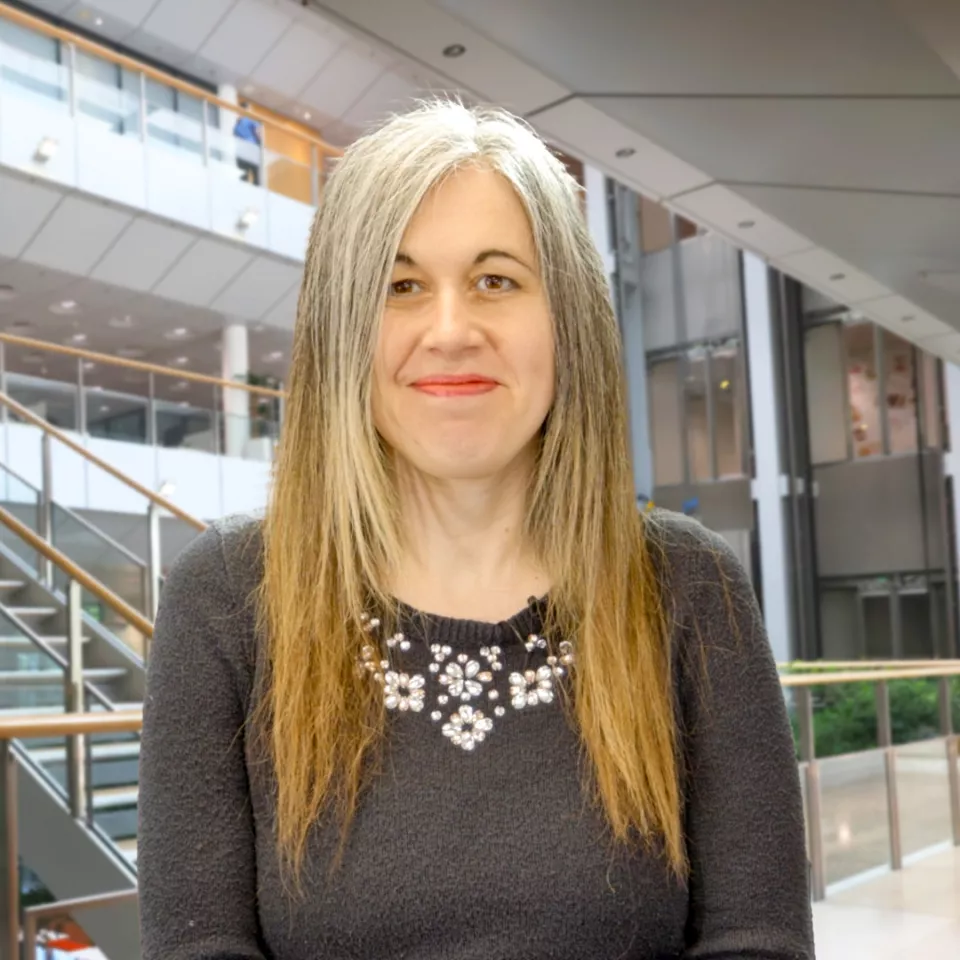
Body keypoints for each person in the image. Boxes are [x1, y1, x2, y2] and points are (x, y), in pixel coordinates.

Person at [138, 100, 814, 959]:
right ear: (342, 332)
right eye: (401, 285)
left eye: (497, 280)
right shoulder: (228, 596)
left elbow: (758, 939)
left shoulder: (689, 589)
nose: (451, 331)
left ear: (567, 321)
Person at [234, 101, 262, 185]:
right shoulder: (251, 119)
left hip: (241, 149)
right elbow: (258, 133)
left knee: (244, 172)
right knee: (256, 173)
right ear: (247, 109)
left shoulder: (237, 124)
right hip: (251, 146)